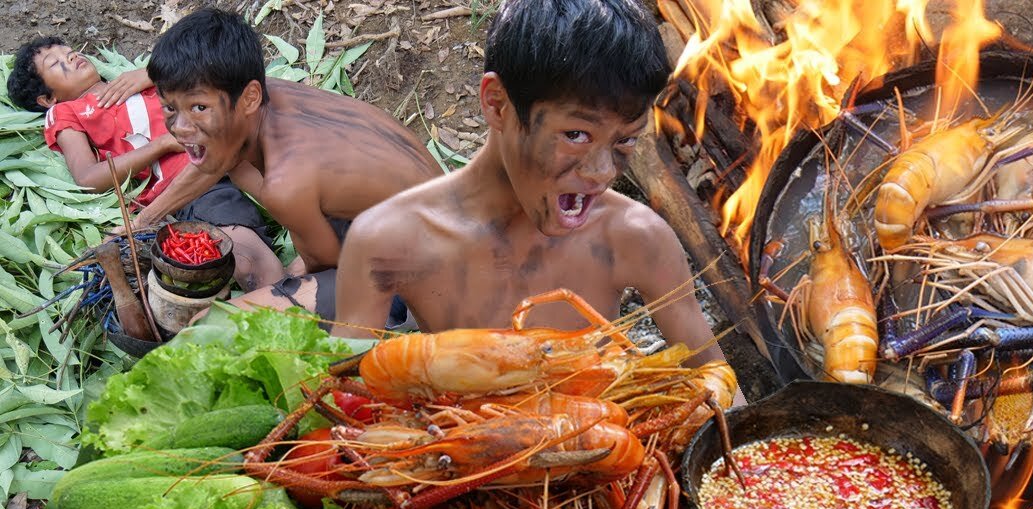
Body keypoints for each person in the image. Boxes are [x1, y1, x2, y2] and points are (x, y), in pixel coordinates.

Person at [334, 0, 738, 383]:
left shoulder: (635, 237)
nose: (601, 173)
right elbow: (338, 402)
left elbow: (717, 383)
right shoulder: (388, 242)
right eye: (576, 134)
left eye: (625, 141)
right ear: (497, 105)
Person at [140, 8, 444, 323]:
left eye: (199, 107)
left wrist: (282, 291)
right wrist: (142, 221)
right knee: (234, 159)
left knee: (217, 323)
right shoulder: (260, 93)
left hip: (427, 281)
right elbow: (212, 158)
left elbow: (327, 267)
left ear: (249, 98)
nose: (180, 127)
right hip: (425, 218)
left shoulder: (285, 183)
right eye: (169, 108)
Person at [6, 37, 284, 291]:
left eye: (70, 52)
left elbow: (212, 71)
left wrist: (151, 74)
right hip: (188, 188)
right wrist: (161, 144)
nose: (72, 57)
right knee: (246, 259)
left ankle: (305, 275)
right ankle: (287, 303)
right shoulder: (66, 111)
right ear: (48, 99)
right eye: (56, 63)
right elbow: (89, 178)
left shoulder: (141, 79)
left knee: (292, 188)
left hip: (236, 146)